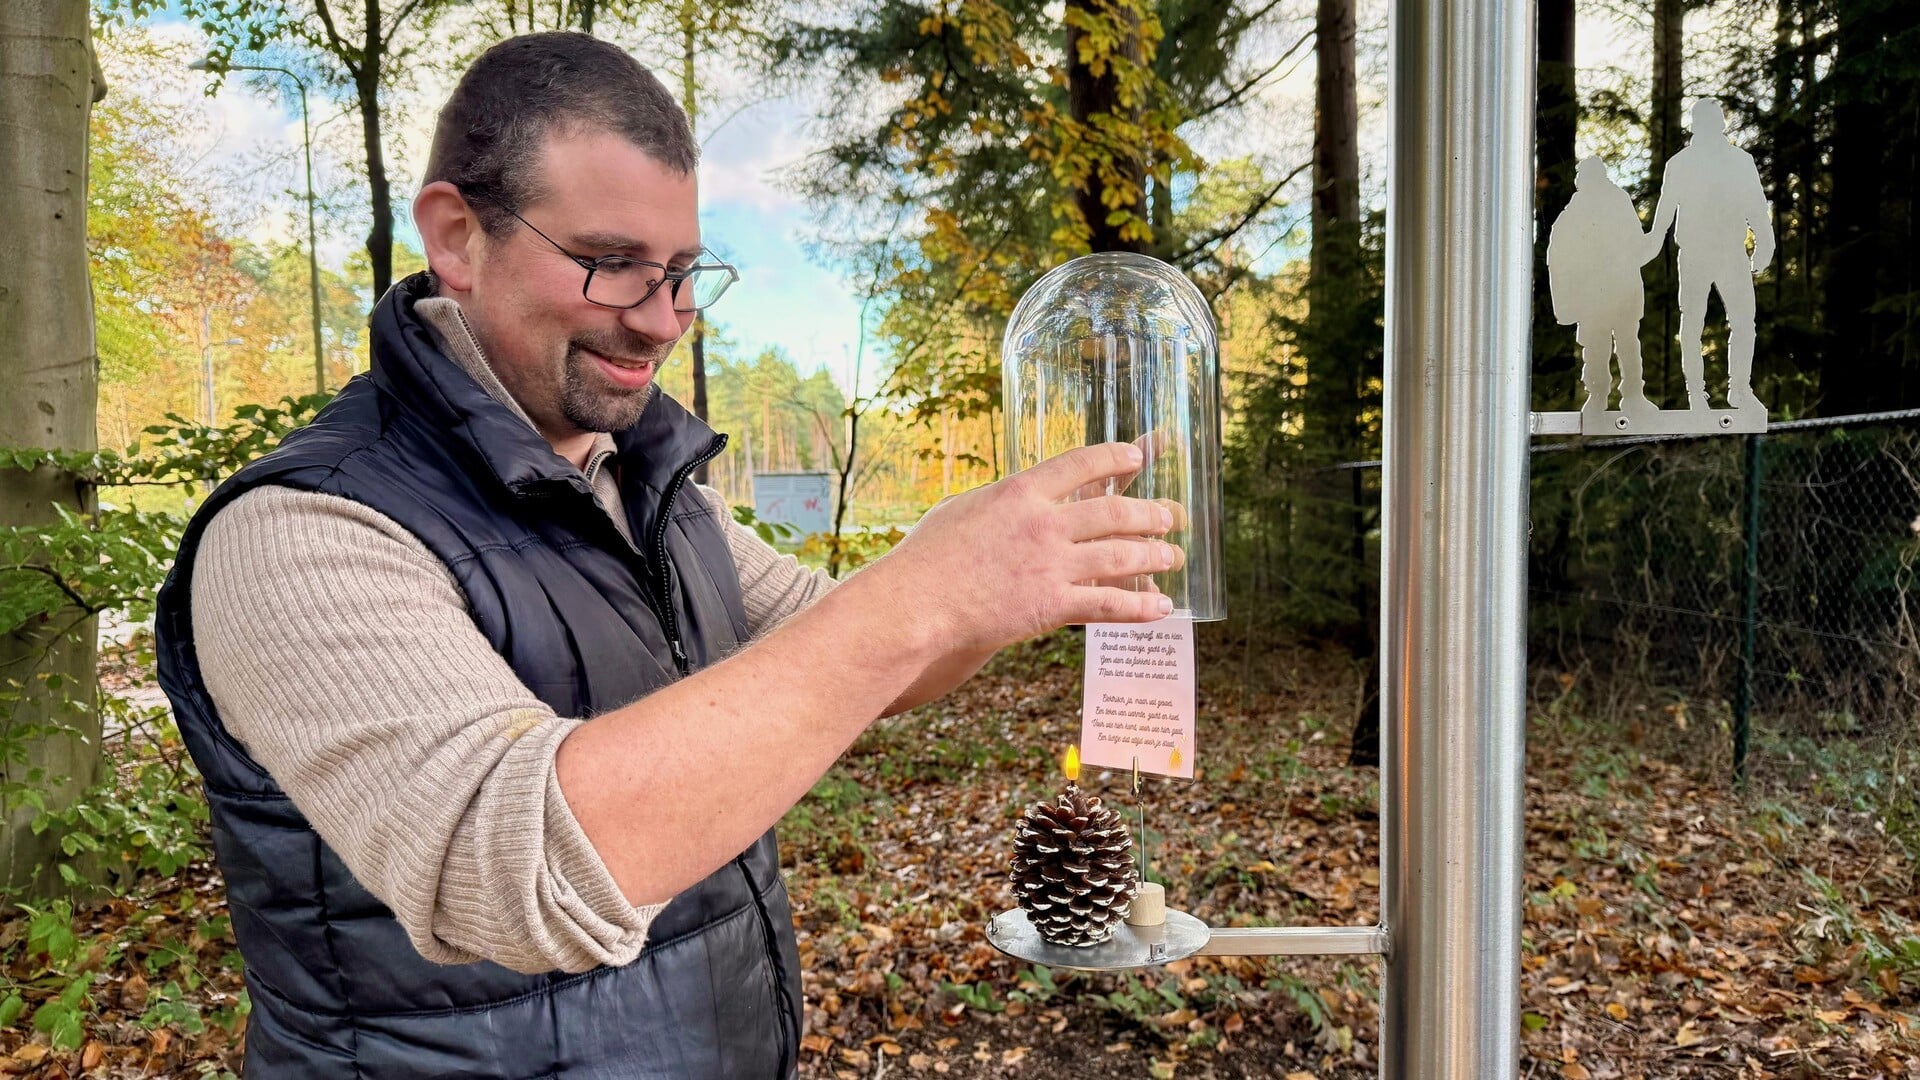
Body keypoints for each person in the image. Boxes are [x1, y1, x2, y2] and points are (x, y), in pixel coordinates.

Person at [153, 32, 1179, 1079]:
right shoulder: (303, 529)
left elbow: (864, 655)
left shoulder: (651, 483)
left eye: (684, 273)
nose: (661, 322)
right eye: (610, 265)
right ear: (457, 236)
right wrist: (925, 591)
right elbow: (521, 870)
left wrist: (1011, 584)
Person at [1643, 98, 1775, 411]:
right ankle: (1695, 394)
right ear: (1697, 125)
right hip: (1694, 253)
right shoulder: (1680, 163)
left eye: (1715, 120)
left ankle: (1740, 389)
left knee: (1743, 322)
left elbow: (1756, 204)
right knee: (1691, 324)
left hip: (1731, 251)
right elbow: (1665, 206)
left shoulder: (1740, 161)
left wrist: (1764, 240)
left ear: (1721, 124)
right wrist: (1654, 239)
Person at [1546, 156, 1656, 415]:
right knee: (1600, 345)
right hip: (1594, 293)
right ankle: (1599, 396)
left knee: (1625, 342)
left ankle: (1631, 395)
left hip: (1618, 289)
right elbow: (1558, 252)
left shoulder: (1614, 203)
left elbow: (1634, 244)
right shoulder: (1575, 210)